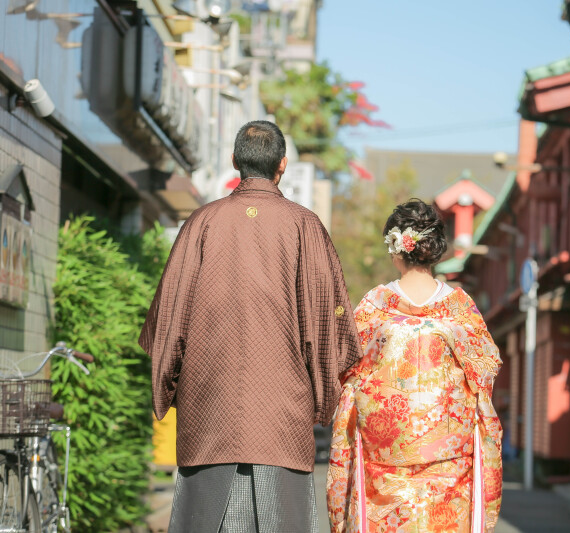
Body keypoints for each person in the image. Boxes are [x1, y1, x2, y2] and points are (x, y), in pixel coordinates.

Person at [139, 120, 362, 533]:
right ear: (282, 164)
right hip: (282, 413)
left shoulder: (201, 223)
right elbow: (325, 325)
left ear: (235, 162)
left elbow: (169, 318)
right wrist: (321, 400)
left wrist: (168, 389)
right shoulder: (303, 225)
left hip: (209, 410)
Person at [327, 199, 503, 532]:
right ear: (435, 250)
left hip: (384, 460)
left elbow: (346, 368)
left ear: (395, 249)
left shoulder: (374, 306)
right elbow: (485, 371)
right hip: (449, 461)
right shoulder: (459, 308)